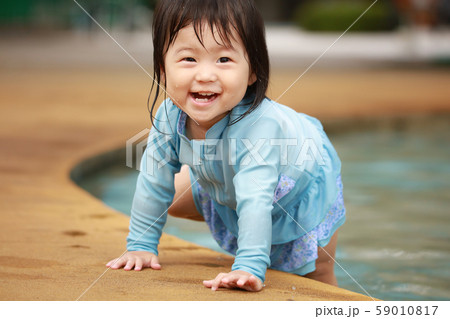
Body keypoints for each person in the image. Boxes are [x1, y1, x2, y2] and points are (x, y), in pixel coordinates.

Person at [106, 0, 346, 292]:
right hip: (230, 179)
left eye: (224, 60)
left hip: (299, 189)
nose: (205, 75)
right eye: (188, 59)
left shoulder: (261, 128)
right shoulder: (169, 115)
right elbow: (153, 182)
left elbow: (255, 200)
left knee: (318, 275)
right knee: (168, 197)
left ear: (253, 72)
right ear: (163, 68)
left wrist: (248, 266)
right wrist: (141, 245)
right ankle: (241, 226)